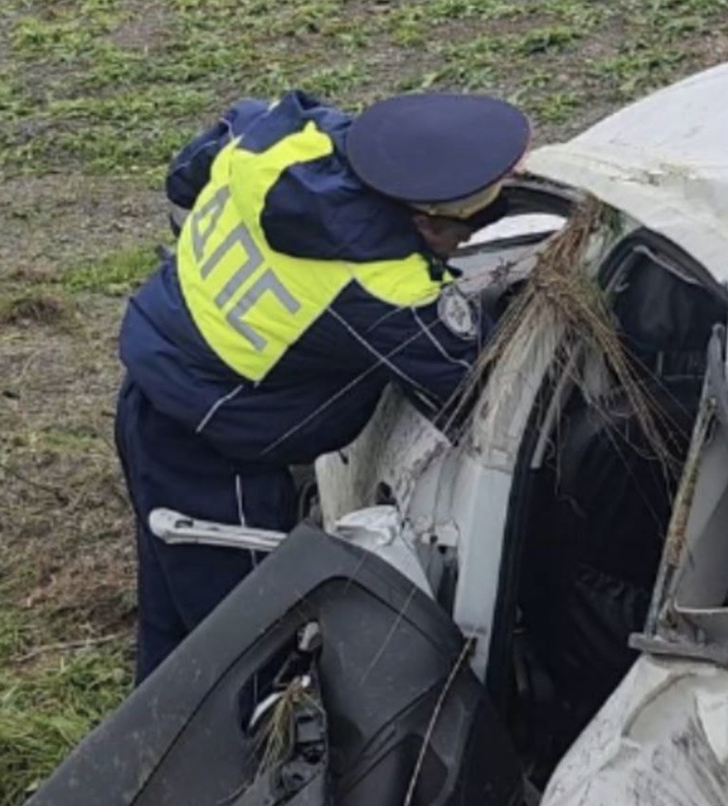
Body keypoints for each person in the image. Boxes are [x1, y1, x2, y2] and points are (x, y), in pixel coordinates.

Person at [113, 89, 531, 682]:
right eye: (464, 230)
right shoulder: (379, 287)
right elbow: (477, 382)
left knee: (178, 618)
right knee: (248, 651)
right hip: (214, 457)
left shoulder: (281, 137)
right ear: (422, 219)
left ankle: (149, 745)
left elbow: (187, 175)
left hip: (153, 386)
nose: (466, 244)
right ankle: (239, 768)